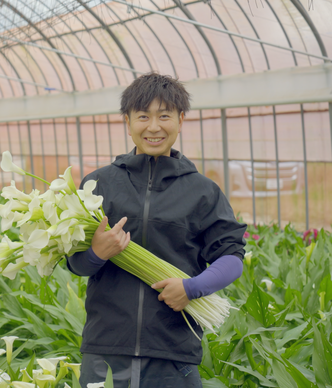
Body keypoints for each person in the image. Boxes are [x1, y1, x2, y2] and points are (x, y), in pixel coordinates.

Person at [67, 72, 246, 388]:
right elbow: (76, 263)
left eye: (164, 116)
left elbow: (231, 258)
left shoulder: (202, 191)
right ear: (127, 121)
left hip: (173, 352)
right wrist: (97, 253)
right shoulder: (99, 185)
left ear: (180, 120)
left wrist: (191, 288)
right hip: (106, 348)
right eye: (143, 116)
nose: (153, 127)